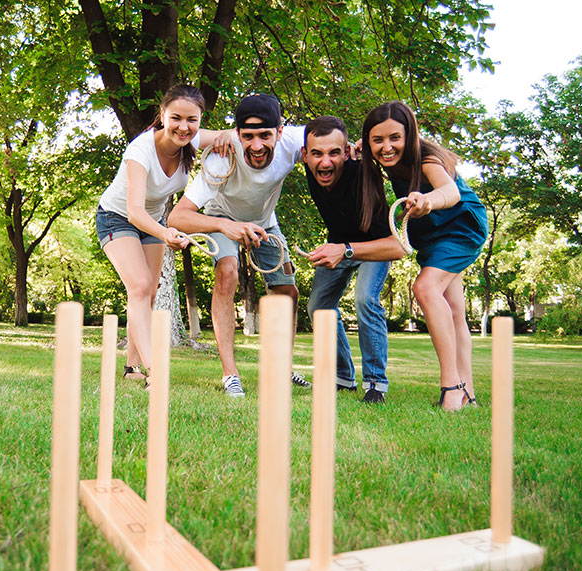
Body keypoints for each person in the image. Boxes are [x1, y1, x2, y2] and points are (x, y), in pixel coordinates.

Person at [168, 94, 310, 397]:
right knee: (228, 271)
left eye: (264, 136)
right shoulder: (222, 157)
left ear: (281, 132)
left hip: (265, 222)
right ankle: (230, 374)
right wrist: (226, 226)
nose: (256, 146)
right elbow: (177, 217)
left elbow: (329, 138)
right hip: (222, 219)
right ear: (237, 135)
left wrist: (353, 148)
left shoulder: (296, 140)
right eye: (248, 137)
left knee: (288, 290)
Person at [359, 101, 488, 410]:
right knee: (454, 309)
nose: (386, 147)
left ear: (410, 135)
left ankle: (451, 387)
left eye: (395, 138)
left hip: (458, 227)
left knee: (425, 288)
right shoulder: (382, 159)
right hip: (431, 233)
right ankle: (468, 392)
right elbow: (367, 147)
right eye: (378, 140)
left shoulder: (427, 158)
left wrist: (428, 200)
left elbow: (450, 192)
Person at [95, 84, 226, 386]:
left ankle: (131, 368)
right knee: (140, 286)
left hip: (152, 221)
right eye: (176, 118)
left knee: (148, 294)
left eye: (192, 120)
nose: (184, 127)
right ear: (163, 114)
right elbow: (134, 212)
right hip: (118, 218)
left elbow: (236, 136)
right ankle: (156, 370)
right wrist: (167, 233)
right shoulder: (140, 151)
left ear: (200, 119)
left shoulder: (193, 140)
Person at [301, 116, 405, 404]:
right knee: (319, 308)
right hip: (339, 244)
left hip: (376, 246)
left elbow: (397, 248)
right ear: (304, 155)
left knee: (364, 300)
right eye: (317, 154)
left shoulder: (363, 171)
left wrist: (345, 249)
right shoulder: (308, 166)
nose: (325, 163)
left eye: (334, 153)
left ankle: (375, 385)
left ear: (346, 151)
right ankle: (343, 378)